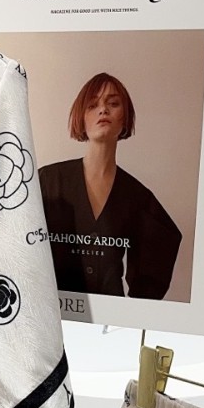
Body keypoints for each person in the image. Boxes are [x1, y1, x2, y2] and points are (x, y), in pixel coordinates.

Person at [38, 72, 182, 299]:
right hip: (52, 310)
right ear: (81, 118)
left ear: (125, 118)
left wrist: (134, 308)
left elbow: (162, 247)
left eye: (113, 104)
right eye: (92, 105)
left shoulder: (138, 198)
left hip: (108, 313)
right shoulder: (48, 182)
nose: (103, 110)